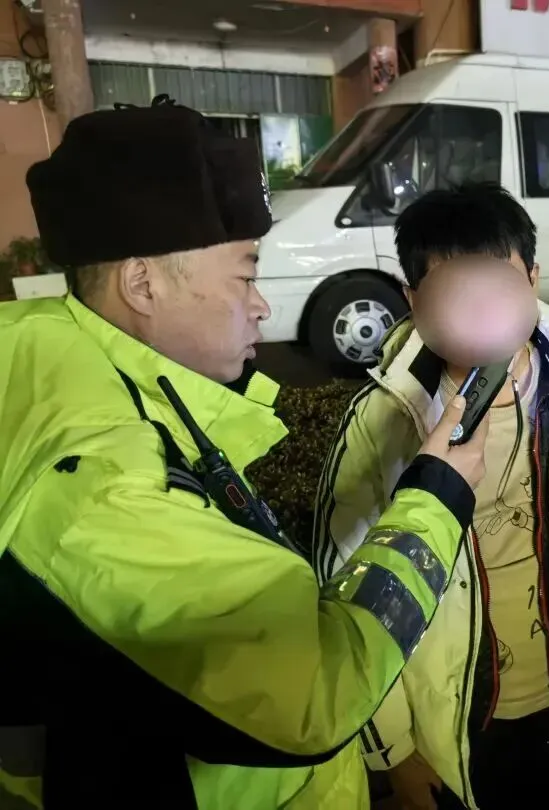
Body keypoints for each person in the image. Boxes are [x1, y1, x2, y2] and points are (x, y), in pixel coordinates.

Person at [0, 96, 489, 810]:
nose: (261, 305)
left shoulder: (66, 369)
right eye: (245, 274)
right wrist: (436, 499)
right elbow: (312, 697)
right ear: (142, 283)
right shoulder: (108, 490)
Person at [309, 183, 549, 810]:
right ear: (413, 299)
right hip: (455, 735)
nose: (481, 313)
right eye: (455, 292)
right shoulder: (381, 424)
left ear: (532, 280)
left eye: (500, 286)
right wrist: (394, 752)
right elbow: (349, 591)